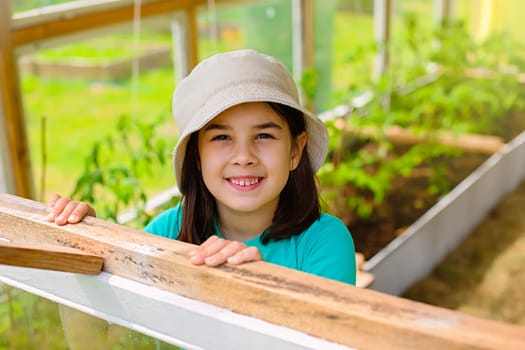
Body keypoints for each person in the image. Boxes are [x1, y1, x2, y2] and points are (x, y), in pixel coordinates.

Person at [47, 49, 356, 285]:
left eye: (264, 135)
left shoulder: (324, 242)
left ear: (295, 149)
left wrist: (261, 286)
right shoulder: (167, 233)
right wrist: (86, 250)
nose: (244, 156)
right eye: (222, 137)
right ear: (196, 156)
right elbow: (110, 336)